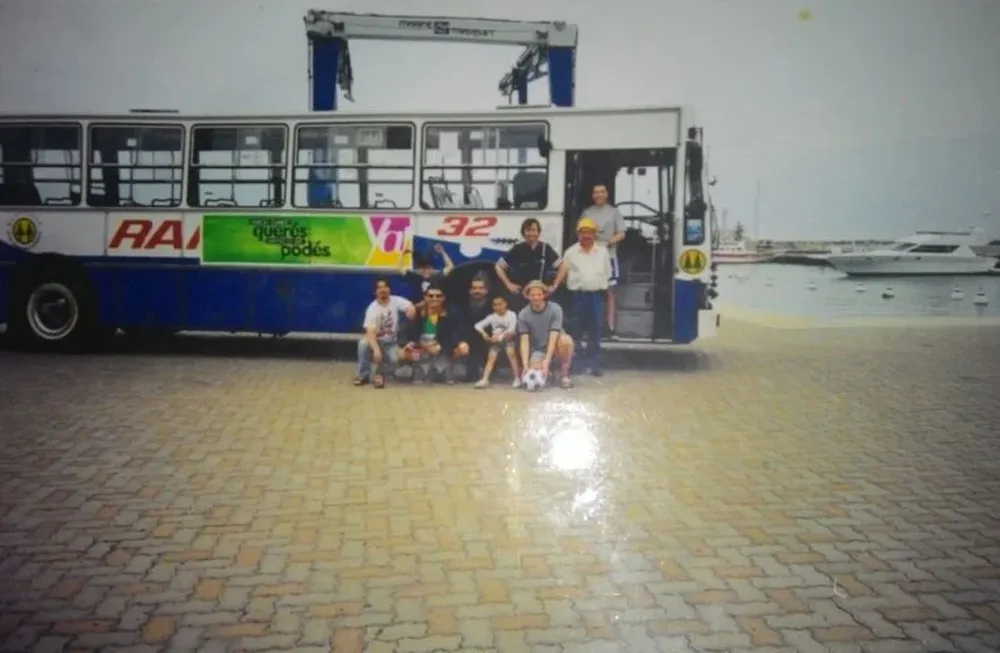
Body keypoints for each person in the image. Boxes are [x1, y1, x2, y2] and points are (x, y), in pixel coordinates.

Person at [560, 217, 612, 377]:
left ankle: (594, 364)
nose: (586, 235)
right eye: (583, 232)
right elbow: (563, 274)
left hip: (596, 296)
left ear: (594, 234)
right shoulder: (570, 252)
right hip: (577, 296)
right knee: (575, 330)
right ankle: (575, 364)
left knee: (595, 330)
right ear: (578, 234)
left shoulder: (603, 252)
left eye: (589, 232)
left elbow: (607, 273)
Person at [400, 282, 469, 384]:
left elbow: (458, 332)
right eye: (431, 296)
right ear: (425, 297)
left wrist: (442, 346)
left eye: (438, 296)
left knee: (463, 348)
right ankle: (419, 370)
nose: (434, 298)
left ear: (443, 298)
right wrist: (415, 344)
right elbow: (404, 332)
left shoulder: (452, 312)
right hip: (422, 349)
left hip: (442, 349)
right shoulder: (416, 313)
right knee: (403, 354)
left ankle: (443, 369)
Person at [582, 184, 626, 339]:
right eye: (596, 192)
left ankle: (610, 329)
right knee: (589, 291)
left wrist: (607, 243)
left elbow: (621, 233)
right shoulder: (587, 213)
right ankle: (590, 328)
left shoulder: (614, 212)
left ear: (606, 194)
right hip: (589, 257)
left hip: (609, 257)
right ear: (592, 195)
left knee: (610, 293)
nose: (599, 195)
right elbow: (581, 233)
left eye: (602, 192)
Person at [355, 277, 416, 388]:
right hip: (376, 341)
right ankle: (363, 375)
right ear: (375, 291)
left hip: (392, 343)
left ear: (389, 289)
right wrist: (376, 350)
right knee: (363, 343)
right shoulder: (372, 309)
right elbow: (370, 333)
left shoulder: (396, 300)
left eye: (385, 287)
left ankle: (383, 371)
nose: (383, 290)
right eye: (379, 287)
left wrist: (411, 310)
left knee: (404, 356)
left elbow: (409, 305)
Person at [495, 218, 564, 311]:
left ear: (538, 232)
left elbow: (563, 266)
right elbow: (498, 266)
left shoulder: (545, 248)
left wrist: (554, 285)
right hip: (522, 296)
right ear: (523, 233)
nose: (531, 233)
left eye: (534, 230)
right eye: (528, 230)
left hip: (540, 294)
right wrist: (508, 284)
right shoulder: (517, 249)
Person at [517, 280, 574, 389]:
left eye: (539, 294)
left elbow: (554, 335)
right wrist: (525, 365)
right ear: (527, 296)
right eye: (532, 295)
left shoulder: (555, 309)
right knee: (533, 369)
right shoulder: (523, 314)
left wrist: (547, 360)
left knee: (566, 340)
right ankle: (550, 373)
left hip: (556, 344)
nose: (536, 297)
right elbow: (524, 340)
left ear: (544, 295)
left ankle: (564, 374)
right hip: (539, 349)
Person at [472, 294, 521, 389]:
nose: (498, 307)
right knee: (491, 357)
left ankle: (517, 377)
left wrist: (500, 336)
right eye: (495, 305)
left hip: (509, 339)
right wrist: (484, 334)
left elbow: (511, 329)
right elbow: (477, 325)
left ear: (505, 304)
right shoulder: (492, 317)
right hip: (495, 342)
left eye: (500, 304)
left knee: (511, 352)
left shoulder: (512, 314)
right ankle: (485, 379)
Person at [459, 272, 495, 381]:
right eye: (474, 288)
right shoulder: (463, 306)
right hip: (469, 340)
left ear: (486, 290)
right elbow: (460, 327)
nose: (477, 291)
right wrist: (461, 342)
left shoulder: (494, 306)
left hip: (488, 340)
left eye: (480, 288)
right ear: (470, 290)